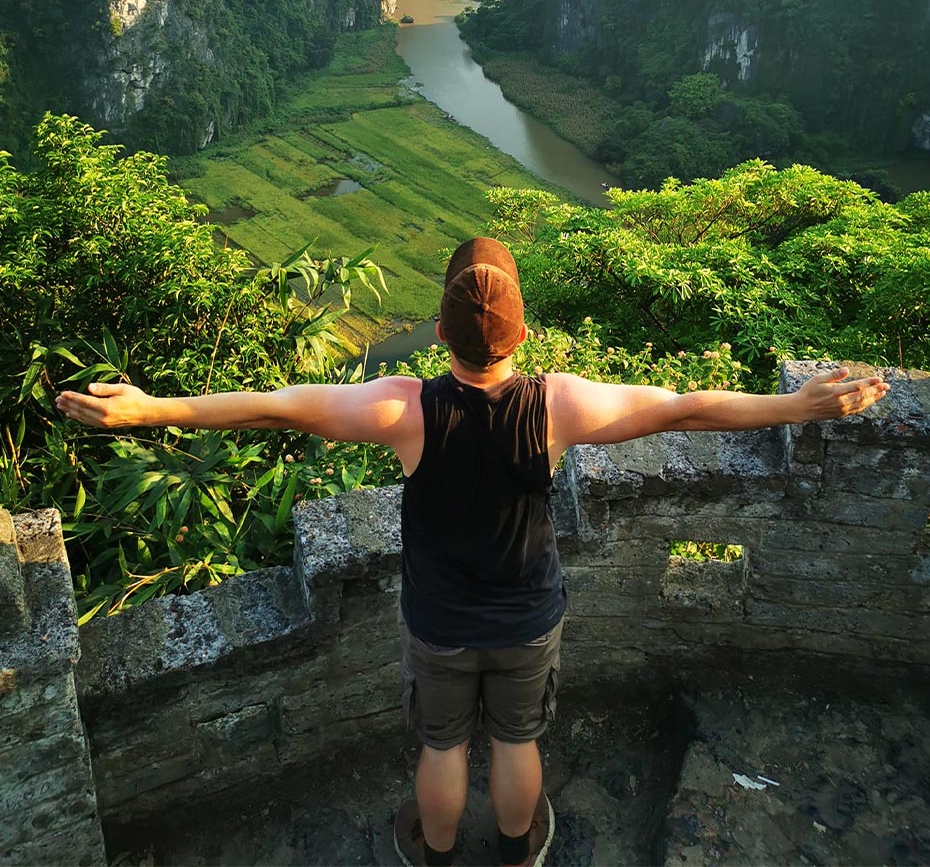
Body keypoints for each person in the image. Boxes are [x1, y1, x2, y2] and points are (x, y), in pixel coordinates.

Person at [56, 237, 889, 867]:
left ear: (441, 333)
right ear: (520, 333)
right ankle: (520, 850)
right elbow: (686, 408)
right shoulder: (555, 406)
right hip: (529, 615)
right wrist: (797, 406)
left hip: (440, 621)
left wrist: (154, 409)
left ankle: (438, 855)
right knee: (519, 742)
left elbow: (276, 406)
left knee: (444, 746)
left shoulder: (402, 409)